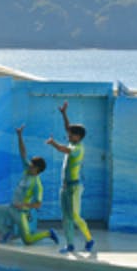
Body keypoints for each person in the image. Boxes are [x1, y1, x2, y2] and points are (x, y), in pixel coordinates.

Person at [0, 125, 58, 247]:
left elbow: (38, 204)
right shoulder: (27, 171)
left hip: (22, 213)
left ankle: (49, 233)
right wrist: (19, 136)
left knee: (28, 240)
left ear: (37, 170)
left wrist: (24, 205)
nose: (29, 166)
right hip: (11, 208)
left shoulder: (37, 185)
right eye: (30, 164)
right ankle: (8, 233)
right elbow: (23, 153)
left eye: (32, 166)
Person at [46, 101, 95, 254]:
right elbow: (68, 128)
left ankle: (89, 239)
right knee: (66, 217)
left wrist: (53, 143)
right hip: (65, 187)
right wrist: (64, 114)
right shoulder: (73, 142)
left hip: (74, 187)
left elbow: (63, 150)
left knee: (75, 216)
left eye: (71, 134)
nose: (68, 135)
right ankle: (70, 244)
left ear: (78, 136)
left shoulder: (77, 148)